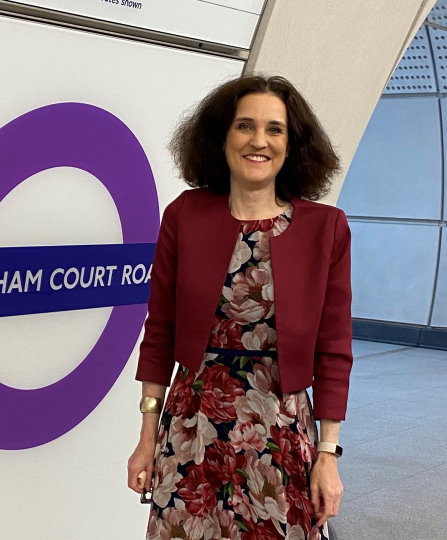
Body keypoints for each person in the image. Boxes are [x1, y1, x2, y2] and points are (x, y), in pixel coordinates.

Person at [127, 74, 353, 540]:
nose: (259, 141)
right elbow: (160, 331)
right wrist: (147, 435)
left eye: (275, 129)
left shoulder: (325, 228)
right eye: (244, 126)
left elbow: (333, 349)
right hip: (192, 430)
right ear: (222, 137)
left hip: (281, 429)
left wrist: (328, 454)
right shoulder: (184, 215)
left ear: (292, 145)